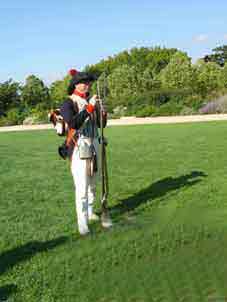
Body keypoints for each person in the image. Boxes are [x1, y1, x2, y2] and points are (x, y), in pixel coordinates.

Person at [60, 70, 112, 235]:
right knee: (82, 186)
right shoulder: (68, 103)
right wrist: (89, 107)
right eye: (84, 82)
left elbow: (100, 125)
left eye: (89, 83)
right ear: (76, 84)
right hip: (79, 146)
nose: (87, 85)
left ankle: (90, 212)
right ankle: (82, 223)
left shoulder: (91, 101)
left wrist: (102, 112)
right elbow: (73, 123)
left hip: (95, 144)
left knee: (93, 183)